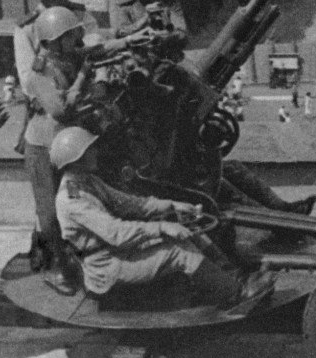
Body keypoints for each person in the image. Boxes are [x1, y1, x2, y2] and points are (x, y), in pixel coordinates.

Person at [50, 127, 265, 307]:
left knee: (188, 232)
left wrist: (171, 205)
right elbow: (117, 233)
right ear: (76, 159)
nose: (95, 151)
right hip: (106, 267)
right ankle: (236, 295)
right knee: (179, 252)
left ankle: (233, 277)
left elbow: (131, 204)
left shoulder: (88, 182)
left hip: (117, 253)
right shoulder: (72, 199)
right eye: (89, 149)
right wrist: (162, 227)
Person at [22, 6, 95, 291]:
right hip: (43, 147)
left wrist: (129, 41)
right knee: (50, 213)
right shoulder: (41, 71)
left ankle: (78, 262)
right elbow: (61, 110)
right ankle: (60, 269)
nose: (75, 39)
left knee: (78, 203)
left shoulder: (67, 57)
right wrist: (82, 79)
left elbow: (96, 50)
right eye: (69, 35)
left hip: (66, 144)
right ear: (53, 41)